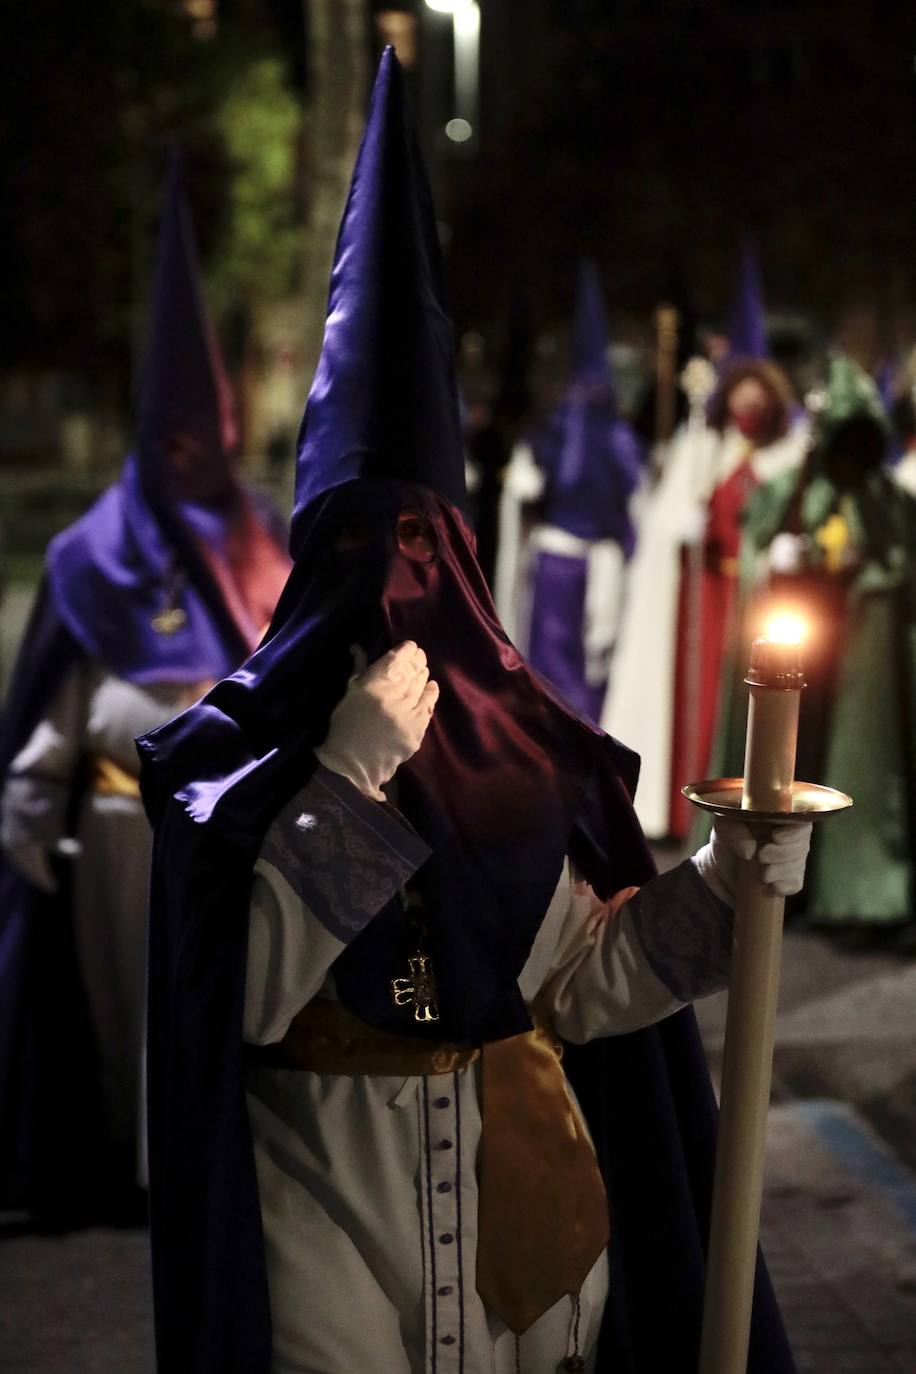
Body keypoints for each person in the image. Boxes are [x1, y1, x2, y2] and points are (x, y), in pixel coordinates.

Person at [138, 50, 810, 1373]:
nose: (397, 582)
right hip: (323, 1218)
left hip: (527, 1233)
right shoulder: (243, 761)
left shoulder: (527, 759)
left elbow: (588, 985)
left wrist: (730, 881)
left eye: (425, 548)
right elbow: (254, 1000)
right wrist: (343, 778)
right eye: (364, 549)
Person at [0, 155, 291, 1223]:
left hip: (228, 844)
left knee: (210, 1008)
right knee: (117, 1014)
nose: (183, 461)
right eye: (163, 441)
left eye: (197, 440)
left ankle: (208, 1165)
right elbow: (51, 723)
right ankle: (121, 1166)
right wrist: (29, 829)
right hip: (116, 832)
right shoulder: (89, 554)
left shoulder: (260, 554)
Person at [706, 354, 916, 941]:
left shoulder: (885, 499)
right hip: (798, 649)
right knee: (787, 763)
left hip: (857, 658)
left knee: (846, 773)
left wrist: (864, 573)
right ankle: (774, 887)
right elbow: (757, 539)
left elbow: (899, 563)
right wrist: (777, 559)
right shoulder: (793, 486)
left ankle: (848, 895)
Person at [603, 355, 806, 839]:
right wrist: (681, 526)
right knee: (701, 700)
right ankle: (684, 811)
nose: (748, 404)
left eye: (759, 395)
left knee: (748, 699)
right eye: (741, 393)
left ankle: (748, 803)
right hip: (705, 599)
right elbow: (663, 518)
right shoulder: (702, 447)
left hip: (757, 600)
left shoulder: (789, 455)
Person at [494, 261, 643, 720]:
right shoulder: (564, 433)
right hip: (565, 565)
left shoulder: (599, 437)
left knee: (581, 671)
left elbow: (632, 508)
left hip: (586, 569)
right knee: (557, 670)